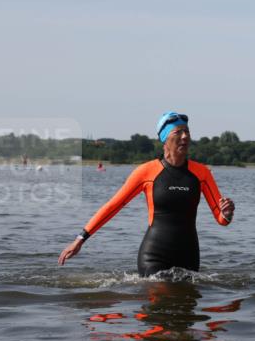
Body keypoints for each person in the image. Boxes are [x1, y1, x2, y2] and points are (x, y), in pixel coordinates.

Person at [58, 112, 235, 276]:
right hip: (155, 255)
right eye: (178, 132)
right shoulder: (146, 172)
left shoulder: (202, 173)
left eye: (187, 132)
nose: (185, 136)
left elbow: (222, 219)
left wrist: (227, 213)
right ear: (165, 139)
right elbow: (113, 206)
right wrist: (80, 239)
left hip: (189, 256)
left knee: (187, 300)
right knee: (158, 294)